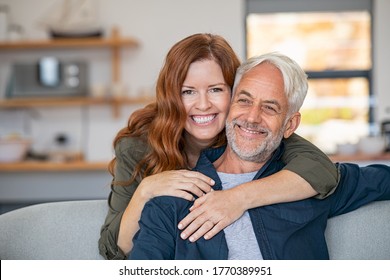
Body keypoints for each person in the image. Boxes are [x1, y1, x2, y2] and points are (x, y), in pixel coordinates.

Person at [128, 52, 390, 260]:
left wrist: (239, 198)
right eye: (244, 101)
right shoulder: (175, 198)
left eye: (269, 107)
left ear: (290, 125)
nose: (252, 118)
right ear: (230, 107)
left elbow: (383, 180)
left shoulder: (311, 187)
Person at [98, 34, 339, 260]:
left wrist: (238, 198)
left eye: (215, 89)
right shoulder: (139, 146)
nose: (203, 105)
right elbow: (113, 249)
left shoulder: (245, 133)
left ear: (234, 93)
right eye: (188, 91)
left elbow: (321, 170)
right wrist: (145, 190)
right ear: (172, 97)